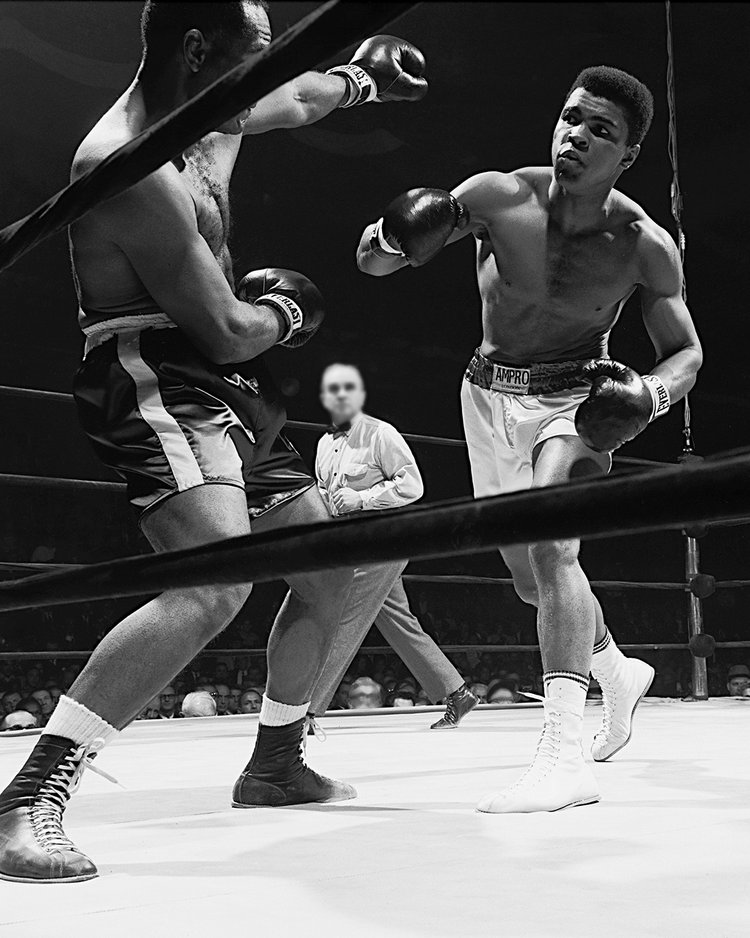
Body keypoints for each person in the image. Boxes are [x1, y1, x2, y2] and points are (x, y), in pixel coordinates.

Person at [0, 1, 428, 882]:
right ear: (198, 51)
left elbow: (299, 99)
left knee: (328, 568)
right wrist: (288, 311)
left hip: (226, 381)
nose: (266, 75)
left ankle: (275, 761)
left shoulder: (218, 112)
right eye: (255, 56)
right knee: (209, 584)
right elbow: (233, 329)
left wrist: (361, 80)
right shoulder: (125, 163)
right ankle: (26, 798)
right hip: (158, 368)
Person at [356, 65, 702, 812]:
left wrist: (649, 392)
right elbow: (373, 262)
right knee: (526, 578)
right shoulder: (495, 196)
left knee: (553, 547)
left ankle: (562, 756)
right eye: (572, 117)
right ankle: (614, 670)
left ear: (628, 155)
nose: (577, 135)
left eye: (601, 130)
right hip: (486, 395)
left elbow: (688, 354)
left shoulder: (643, 243)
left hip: (576, 398)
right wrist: (389, 236)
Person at [309, 364, 478, 729]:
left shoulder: (380, 434)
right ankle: (456, 692)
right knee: (398, 620)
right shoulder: (325, 443)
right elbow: (325, 493)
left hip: (381, 537)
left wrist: (363, 498)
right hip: (345, 540)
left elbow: (411, 485)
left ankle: (306, 711)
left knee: (345, 618)